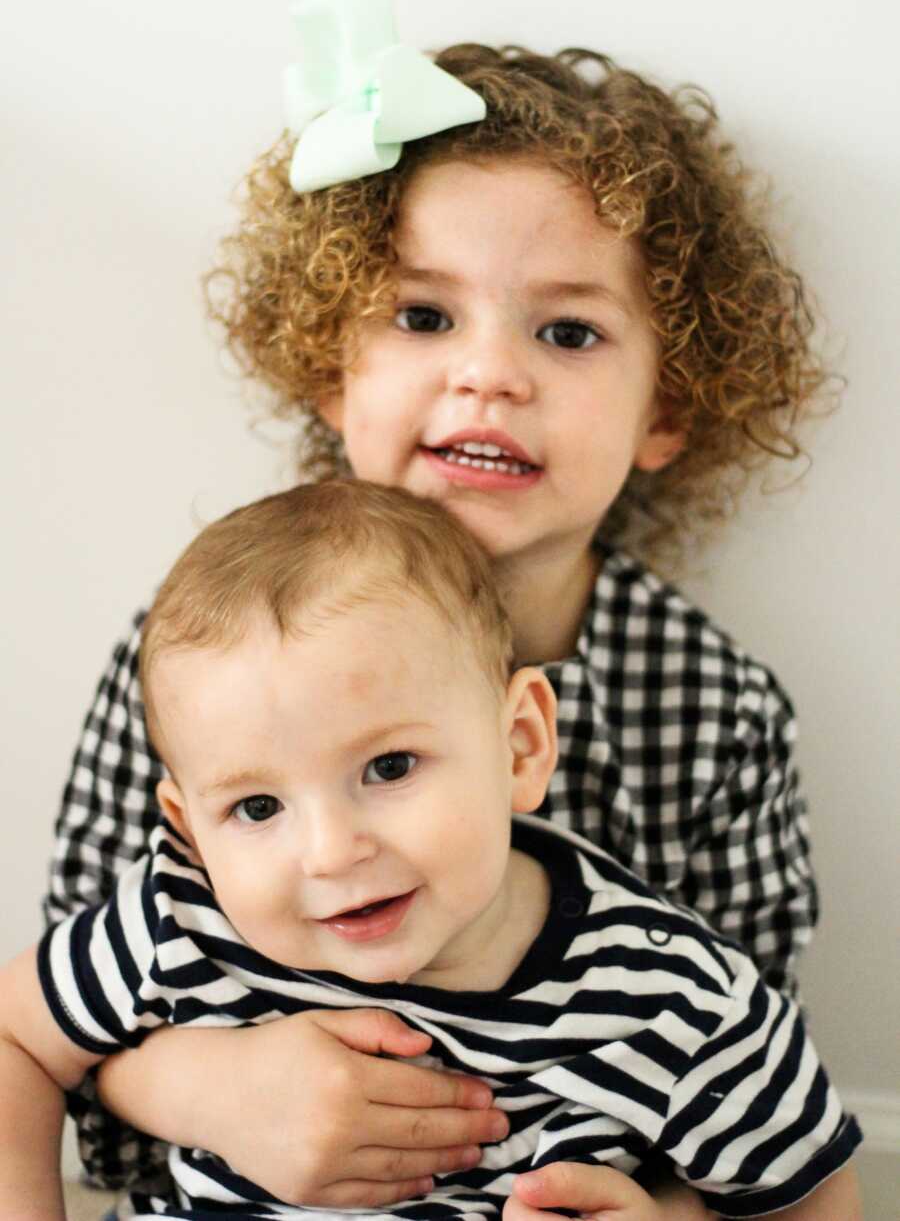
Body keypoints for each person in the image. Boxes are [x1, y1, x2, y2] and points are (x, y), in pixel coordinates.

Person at [46, 0, 840, 1218]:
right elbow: (66, 1020)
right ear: (329, 365)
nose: (489, 372)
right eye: (424, 317)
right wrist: (205, 1088)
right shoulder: (200, 663)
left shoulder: (713, 709)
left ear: (668, 409)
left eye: (568, 331)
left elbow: (753, 1103)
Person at [2, 482, 862, 1220]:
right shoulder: (180, 918)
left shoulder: (675, 1001)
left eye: (389, 766)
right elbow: (14, 1035)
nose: (332, 852)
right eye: (258, 806)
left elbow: (814, 1190)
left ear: (521, 745)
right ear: (190, 830)